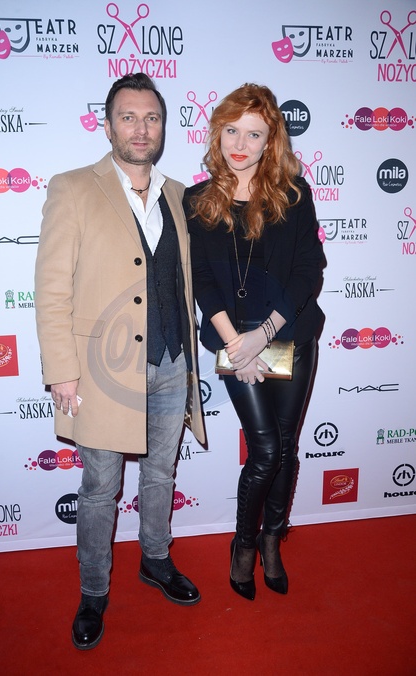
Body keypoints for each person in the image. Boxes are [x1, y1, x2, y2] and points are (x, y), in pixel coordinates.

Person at [35, 73, 205, 650]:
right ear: (107, 126)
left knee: (161, 474)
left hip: (172, 362)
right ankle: (93, 591)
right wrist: (62, 370)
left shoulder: (181, 195)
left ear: (163, 127)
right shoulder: (72, 188)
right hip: (101, 373)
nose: (141, 128)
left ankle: (155, 559)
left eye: (151, 118)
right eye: (128, 117)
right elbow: (52, 289)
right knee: (99, 487)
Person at [184, 83, 324, 601]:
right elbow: (201, 280)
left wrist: (262, 335)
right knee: (265, 448)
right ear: (217, 132)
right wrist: (235, 346)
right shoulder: (198, 199)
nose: (240, 144)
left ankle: (272, 539)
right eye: (231, 130)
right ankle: (243, 544)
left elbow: (309, 271)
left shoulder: (294, 194)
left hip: (289, 334)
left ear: (271, 141)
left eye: (254, 134)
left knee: (286, 446)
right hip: (231, 337)